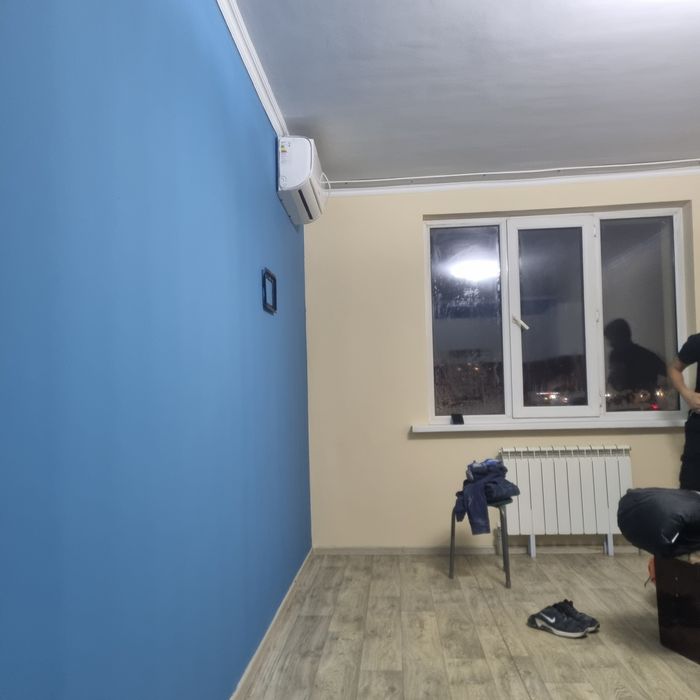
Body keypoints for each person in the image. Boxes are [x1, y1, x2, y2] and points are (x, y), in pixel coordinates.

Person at [668, 333, 700, 491]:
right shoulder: (698, 341)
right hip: (698, 429)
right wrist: (687, 394)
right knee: (690, 490)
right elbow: (674, 368)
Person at [604, 319, 666, 396]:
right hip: (640, 399)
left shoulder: (617, 356)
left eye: (612, 339)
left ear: (620, 337)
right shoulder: (646, 355)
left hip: (644, 401)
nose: (610, 344)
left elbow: (669, 373)